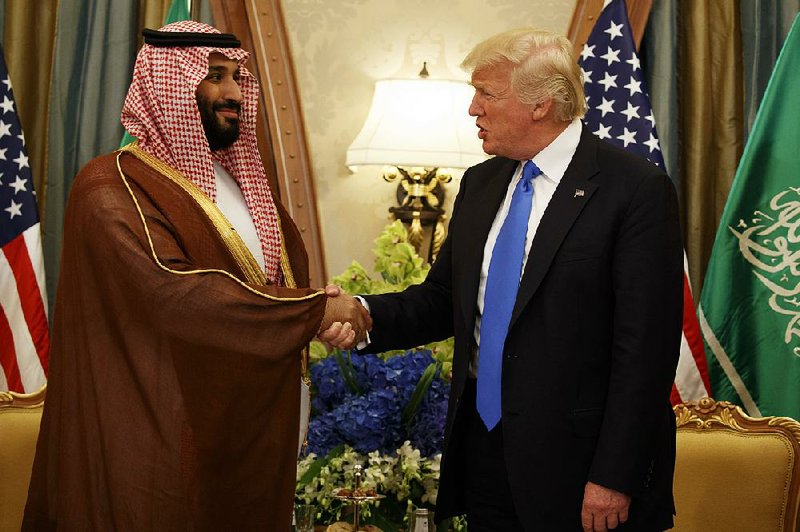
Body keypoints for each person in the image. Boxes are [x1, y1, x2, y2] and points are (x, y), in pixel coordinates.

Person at [324, 28, 683, 531]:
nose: (472, 109)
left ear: (541, 105)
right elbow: (442, 300)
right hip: (485, 452)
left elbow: (645, 352)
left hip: (582, 470)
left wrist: (614, 476)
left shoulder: (635, 191)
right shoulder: (482, 182)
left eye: (486, 94)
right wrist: (359, 314)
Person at [23, 21, 369, 531]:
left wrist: (318, 313)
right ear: (169, 87)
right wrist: (317, 309)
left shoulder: (245, 185)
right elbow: (174, 292)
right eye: (213, 76)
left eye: (236, 77)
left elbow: (278, 281)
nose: (232, 92)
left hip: (246, 438)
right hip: (157, 435)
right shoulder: (110, 185)